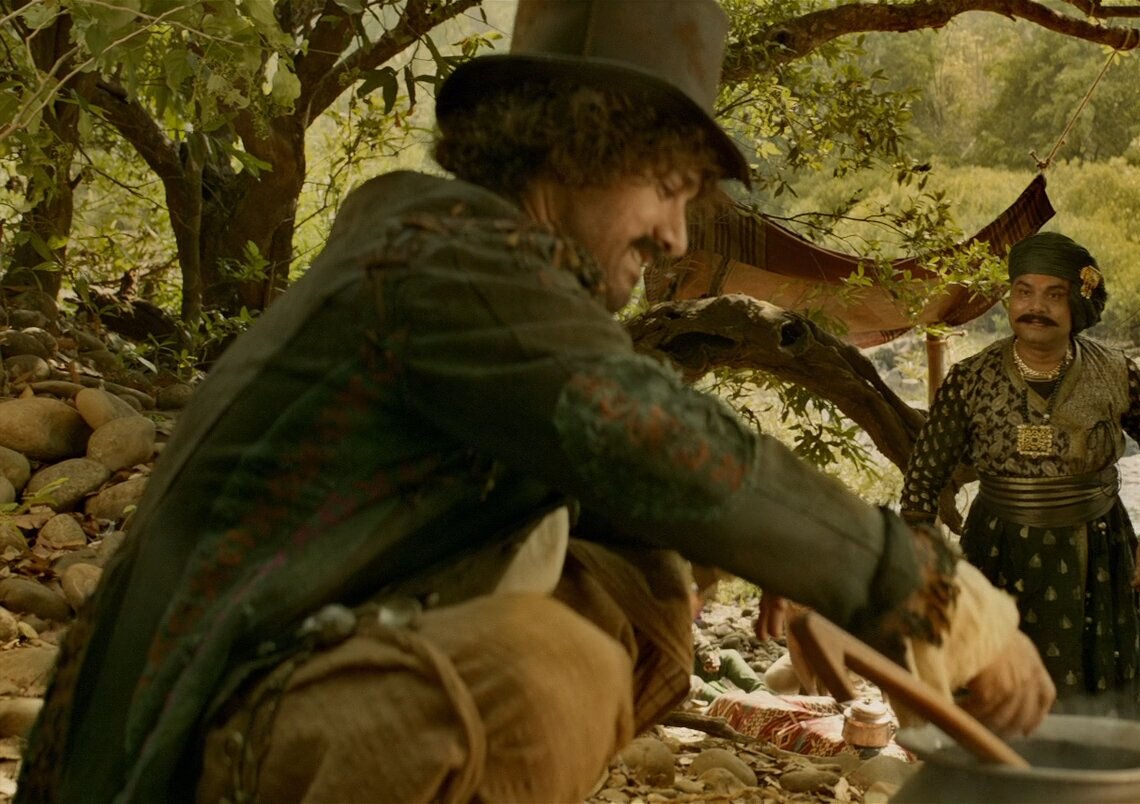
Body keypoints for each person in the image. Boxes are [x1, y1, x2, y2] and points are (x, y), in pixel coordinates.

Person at [17, 2, 1053, 801]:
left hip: (238, 710)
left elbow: (643, 488)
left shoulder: (450, 261)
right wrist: (938, 601)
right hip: (164, 756)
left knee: (639, 580)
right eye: (670, 189)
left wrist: (788, 568)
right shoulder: (448, 268)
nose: (677, 237)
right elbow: (658, 437)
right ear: (576, 147)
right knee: (542, 666)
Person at [900, 231, 1140, 724]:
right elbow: (922, 481)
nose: (1036, 307)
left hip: (1100, 553)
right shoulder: (970, 379)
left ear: (1076, 305)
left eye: (1054, 295)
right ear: (1010, 299)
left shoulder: (1117, 372)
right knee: (991, 698)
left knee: (1104, 710)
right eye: (1024, 292)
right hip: (998, 552)